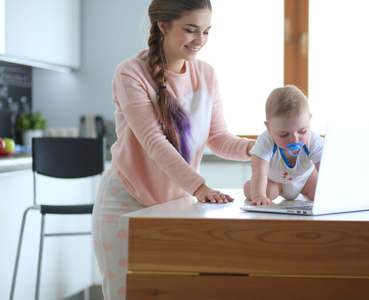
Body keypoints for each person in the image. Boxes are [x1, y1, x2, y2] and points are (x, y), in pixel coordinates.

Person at [92, 1, 255, 298]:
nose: (200, 41)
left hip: (177, 206)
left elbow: (217, 138)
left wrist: (257, 149)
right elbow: (155, 143)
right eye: (191, 30)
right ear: (163, 26)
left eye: (206, 31)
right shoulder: (131, 73)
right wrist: (200, 186)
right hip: (127, 202)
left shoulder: (207, 75)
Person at [244, 85, 323, 205]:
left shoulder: (314, 141)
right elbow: (259, 170)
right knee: (266, 193)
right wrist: (259, 196)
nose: (295, 139)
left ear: (309, 120)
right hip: (276, 181)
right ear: (269, 128)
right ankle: (249, 187)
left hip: (306, 178)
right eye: (284, 134)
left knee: (321, 192)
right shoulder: (266, 141)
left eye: (302, 131)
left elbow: (325, 168)